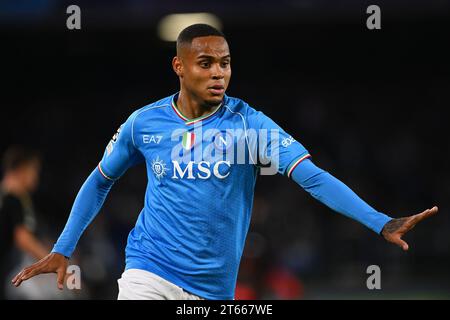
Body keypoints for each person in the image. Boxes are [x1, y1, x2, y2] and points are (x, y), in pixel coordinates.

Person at [11, 24, 438, 300]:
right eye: (206, 63)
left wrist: (379, 221)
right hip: (148, 272)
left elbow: (311, 177)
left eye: (226, 63)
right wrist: (64, 247)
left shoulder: (249, 124)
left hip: (214, 290)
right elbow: (100, 180)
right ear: (179, 66)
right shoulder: (144, 123)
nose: (219, 73)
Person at [0, 146, 48, 299]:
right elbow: (23, 238)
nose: (36, 177)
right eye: (34, 170)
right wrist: (50, 261)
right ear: (21, 169)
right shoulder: (14, 197)